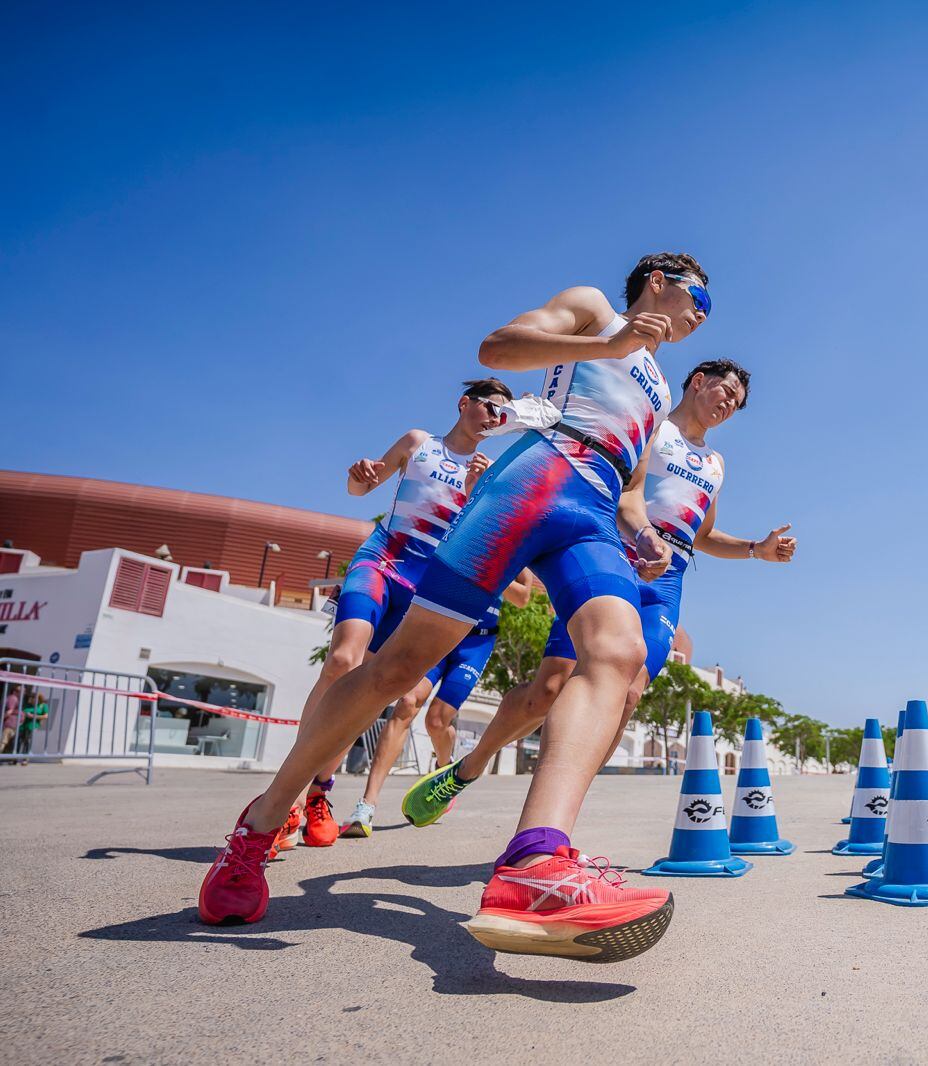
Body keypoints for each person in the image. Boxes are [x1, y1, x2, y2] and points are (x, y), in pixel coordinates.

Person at [199, 252, 709, 963]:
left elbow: (630, 488)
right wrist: (609, 344)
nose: (700, 317)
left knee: (618, 658)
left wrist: (645, 533)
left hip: (594, 512)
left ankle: (535, 861)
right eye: (698, 300)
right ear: (660, 281)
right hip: (537, 479)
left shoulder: (658, 389)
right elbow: (497, 349)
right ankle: (260, 824)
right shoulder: (596, 308)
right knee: (396, 669)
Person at [400, 358, 794, 833]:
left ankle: (553, 827)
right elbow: (614, 490)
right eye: (726, 392)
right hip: (613, 556)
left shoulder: (715, 464)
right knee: (547, 690)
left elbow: (705, 534)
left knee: (627, 694)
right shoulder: (652, 428)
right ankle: (468, 767)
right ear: (698, 382)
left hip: (668, 579)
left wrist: (756, 549)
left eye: (738, 403)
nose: (729, 404)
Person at [264, 380, 506, 856]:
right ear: (464, 403)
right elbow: (361, 487)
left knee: (367, 694)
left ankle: (320, 791)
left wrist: (478, 492)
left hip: (422, 586)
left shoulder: (490, 472)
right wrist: (358, 476)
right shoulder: (419, 442)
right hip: (382, 560)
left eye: (503, 414)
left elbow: (481, 542)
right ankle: (288, 798)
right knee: (342, 662)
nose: (495, 418)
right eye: (489, 406)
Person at [340, 568, 536, 837]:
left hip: (476, 643)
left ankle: (445, 769)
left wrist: (490, 567)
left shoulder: (516, 552)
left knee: (437, 721)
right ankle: (366, 805)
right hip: (442, 629)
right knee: (407, 703)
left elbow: (523, 597)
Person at [2, 686, 19, 754]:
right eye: (19, 691)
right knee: (3, 742)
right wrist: (2, 719)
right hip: (9, 724)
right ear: (14, 692)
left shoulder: (11, 698)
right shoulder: (13, 698)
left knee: (6, 742)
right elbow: (10, 711)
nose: (23, 693)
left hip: (10, 723)